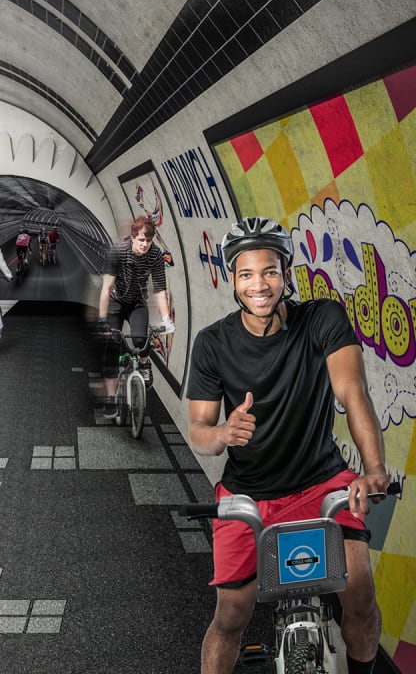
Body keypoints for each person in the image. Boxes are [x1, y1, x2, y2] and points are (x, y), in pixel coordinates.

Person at [185, 217, 390, 674]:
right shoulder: (212, 343)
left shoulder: (322, 319)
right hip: (248, 493)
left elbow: (352, 390)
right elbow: (199, 429)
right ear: (231, 278)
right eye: (246, 274)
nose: (259, 285)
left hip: (323, 481)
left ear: (286, 272)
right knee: (231, 616)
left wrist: (373, 468)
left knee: (359, 596)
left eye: (270, 271)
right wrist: (221, 433)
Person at [96, 216, 174, 418]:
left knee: (141, 339)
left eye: (148, 241)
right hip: (116, 301)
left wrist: (166, 319)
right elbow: (107, 288)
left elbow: (160, 289)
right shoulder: (118, 251)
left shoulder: (155, 255)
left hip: (137, 301)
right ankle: (112, 397)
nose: (145, 245)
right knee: (112, 347)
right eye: (141, 240)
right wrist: (101, 319)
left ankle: (145, 362)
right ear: (132, 237)